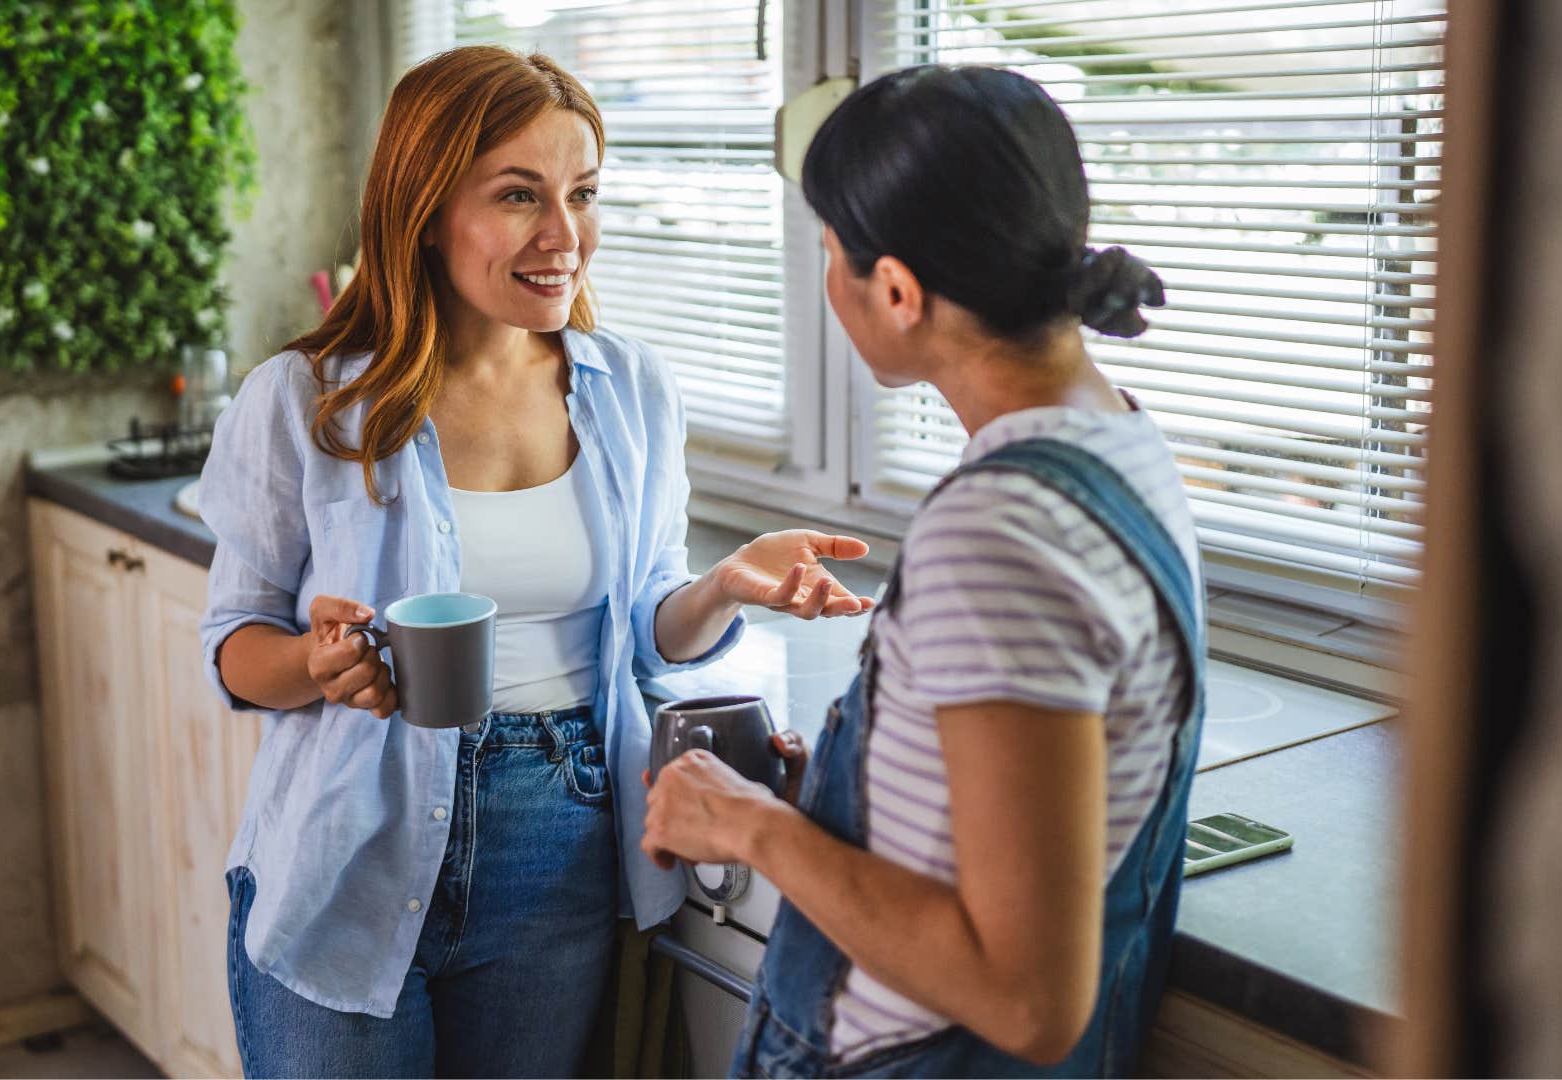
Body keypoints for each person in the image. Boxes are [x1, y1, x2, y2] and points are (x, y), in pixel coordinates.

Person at [196, 45, 872, 1078]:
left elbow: (645, 626)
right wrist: (313, 664)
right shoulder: (307, 401)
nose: (565, 237)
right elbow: (235, 643)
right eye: (520, 196)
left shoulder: (630, 390)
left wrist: (725, 584)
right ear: (424, 208)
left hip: (562, 842)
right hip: (348, 847)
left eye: (583, 194)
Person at [642, 64, 1205, 1077]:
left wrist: (757, 827)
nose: (826, 281)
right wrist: (861, 799)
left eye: (830, 254)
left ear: (897, 291)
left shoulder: (998, 532)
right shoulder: (1119, 442)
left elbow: (1025, 998)